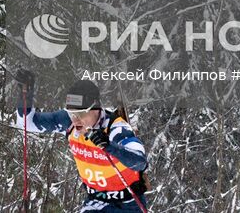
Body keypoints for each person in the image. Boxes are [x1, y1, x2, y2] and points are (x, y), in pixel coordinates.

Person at [12, 69, 150, 213]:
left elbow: (140, 162)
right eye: (72, 113)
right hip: (96, 202)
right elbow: (28, 123)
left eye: (81, 113)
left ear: (96, 107)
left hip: (128, 204)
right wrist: (25, 95)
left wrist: (110, 146)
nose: (76, 119)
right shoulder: (69, 122)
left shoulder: (115, 128)